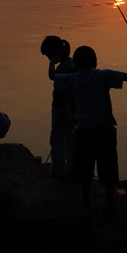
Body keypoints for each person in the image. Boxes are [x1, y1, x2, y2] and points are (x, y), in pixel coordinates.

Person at [52, 44, 127, 217]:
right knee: (108, 166)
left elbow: (53, 76)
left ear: (77, 63)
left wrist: (52, 62)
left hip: (83, 129)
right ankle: (109, 203)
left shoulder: (72, 78)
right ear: (95, 61)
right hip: (104, 128)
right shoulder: (103, 75)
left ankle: (86, 199)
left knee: (84, 167)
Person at [41, 36, 75, 181]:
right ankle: (71, 168)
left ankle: (59, 170)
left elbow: (52, 76)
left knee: (57, 139)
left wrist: (51, 64)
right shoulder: (72, 63)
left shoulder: (64, 67)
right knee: (70, 138)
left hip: (61, 107)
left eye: (48, 55)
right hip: (71, 108)